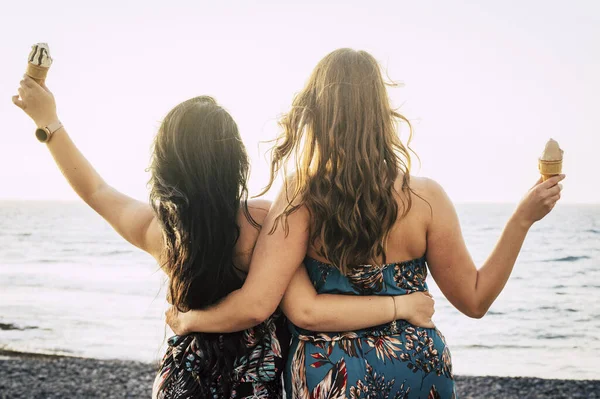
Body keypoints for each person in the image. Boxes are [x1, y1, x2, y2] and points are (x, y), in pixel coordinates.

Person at [165, 48, 565, 398]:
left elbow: (270, 307)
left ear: (315, 113)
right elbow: (475, 300)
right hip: (417, 368)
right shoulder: (427, 199)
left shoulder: (301, 197)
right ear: (381, 113)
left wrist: (190, 320)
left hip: (332, 376)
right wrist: (521, 220)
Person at [13, 75, 436, 399]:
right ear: (236, 161)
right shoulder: (266, 224)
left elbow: (96, 191)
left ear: (165, 168)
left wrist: (47, 121)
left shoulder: (160, 231)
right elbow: (288, 304)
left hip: (180, 379)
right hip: (251, 385)